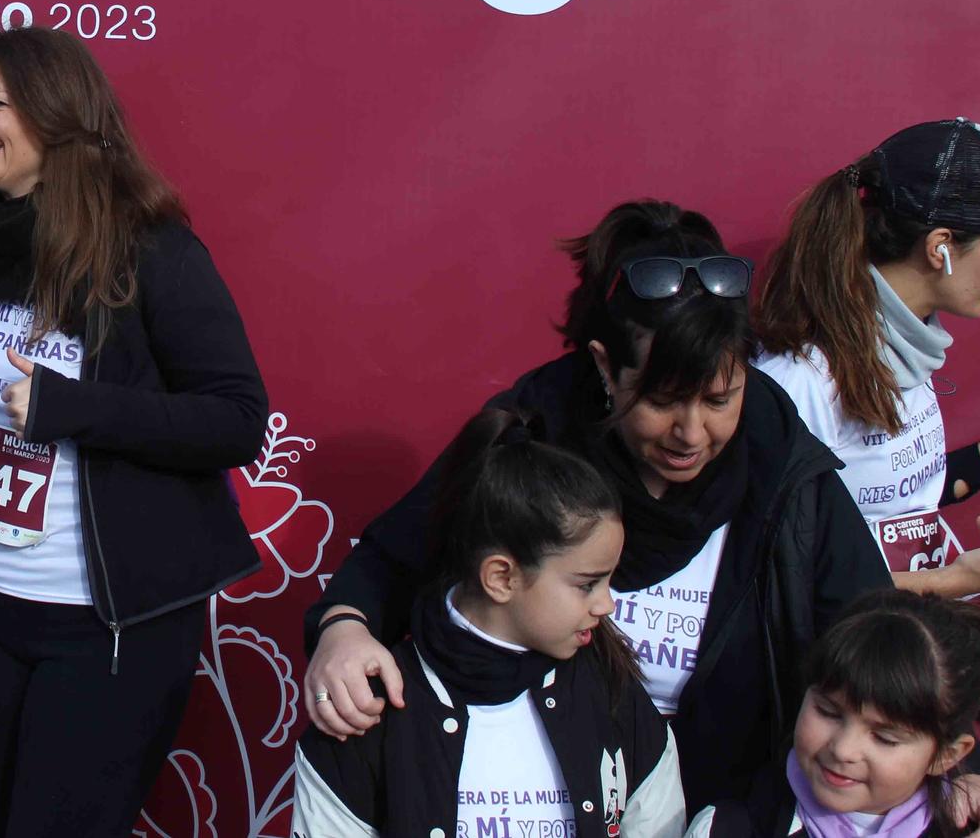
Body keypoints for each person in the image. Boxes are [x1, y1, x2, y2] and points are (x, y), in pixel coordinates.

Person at [301, 200, 889, 810]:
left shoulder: (782, 459)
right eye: (662, 400)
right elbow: (394, 559)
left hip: (732, 801)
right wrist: (343, 630)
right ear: (606, 367)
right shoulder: (532, 433)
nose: (691, 433)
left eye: (719, 399)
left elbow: (875, 630)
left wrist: (964, 766)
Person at [0, 27, 267, 838]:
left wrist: (73, 406)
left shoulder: (151, 249)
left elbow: (235, 417)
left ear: (56, 118)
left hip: (105, 626)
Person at [293, 407, 685, 838]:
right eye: (587, 584)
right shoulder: (369, 715)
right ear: (501, 577)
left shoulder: (613, 691)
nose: (607, 604)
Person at [755, 119, 980, 597]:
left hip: (906, 640)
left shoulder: (906, 347)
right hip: (850, 656)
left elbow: (894, 499)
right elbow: (780, 579)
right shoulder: (800, 382)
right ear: (941, 248)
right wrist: (948, 583)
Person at [687, 589, 980, 836]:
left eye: (885, 738)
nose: (843, 749)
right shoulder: (727, 827)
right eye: (828, 712)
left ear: (947, 756)